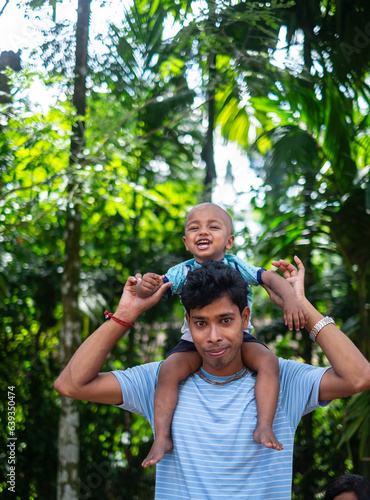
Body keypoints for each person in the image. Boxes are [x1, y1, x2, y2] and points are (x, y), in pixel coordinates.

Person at [54, 257, 370, 500]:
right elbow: (71, 384)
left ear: (245, 318)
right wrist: (125, 314)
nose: (214, 337)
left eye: (226, 320)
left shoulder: (282, 378)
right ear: (188, 323)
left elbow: (359, 376)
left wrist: (302, 306)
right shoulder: (162, 381)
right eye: (201, 323)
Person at [135, 202, 308, 467]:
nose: (203, 232)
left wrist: (293, 300)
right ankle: (161, 437)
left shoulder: (236, 265)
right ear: (186, 241)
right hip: (193, 340)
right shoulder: (181, 271)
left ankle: (264, 425)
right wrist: (145, 285)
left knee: (268, 362)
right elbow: (157, 289)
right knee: (168, 371)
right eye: (195, 228)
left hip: (238, 339)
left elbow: (270, 279)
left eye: (212, 227)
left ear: (229, 241)